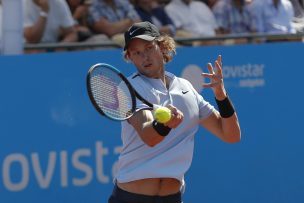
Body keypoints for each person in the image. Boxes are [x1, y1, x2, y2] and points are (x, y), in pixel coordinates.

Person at [108, 21, 241, 203]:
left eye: (148, 47)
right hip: (131, 198)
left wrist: (221, 96)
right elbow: (149, 135)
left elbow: (231, 135)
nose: (144, 56)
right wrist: (164, 124)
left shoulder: (185, 87)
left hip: (172, 198)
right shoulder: (127, 88)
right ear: (130, 57)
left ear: (162, 47)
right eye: (136, 52)